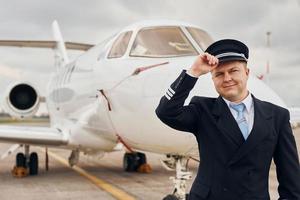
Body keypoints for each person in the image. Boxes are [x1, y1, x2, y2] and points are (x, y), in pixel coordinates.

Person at [155, 39, 300, 200]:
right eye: (219, 74)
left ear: (247, 72)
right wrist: (193, 72)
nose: (227, 78)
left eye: (233, 71)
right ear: (212, 79)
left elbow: (291, 180)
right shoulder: (203, 110)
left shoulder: (277, 116)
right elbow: (165, 112)